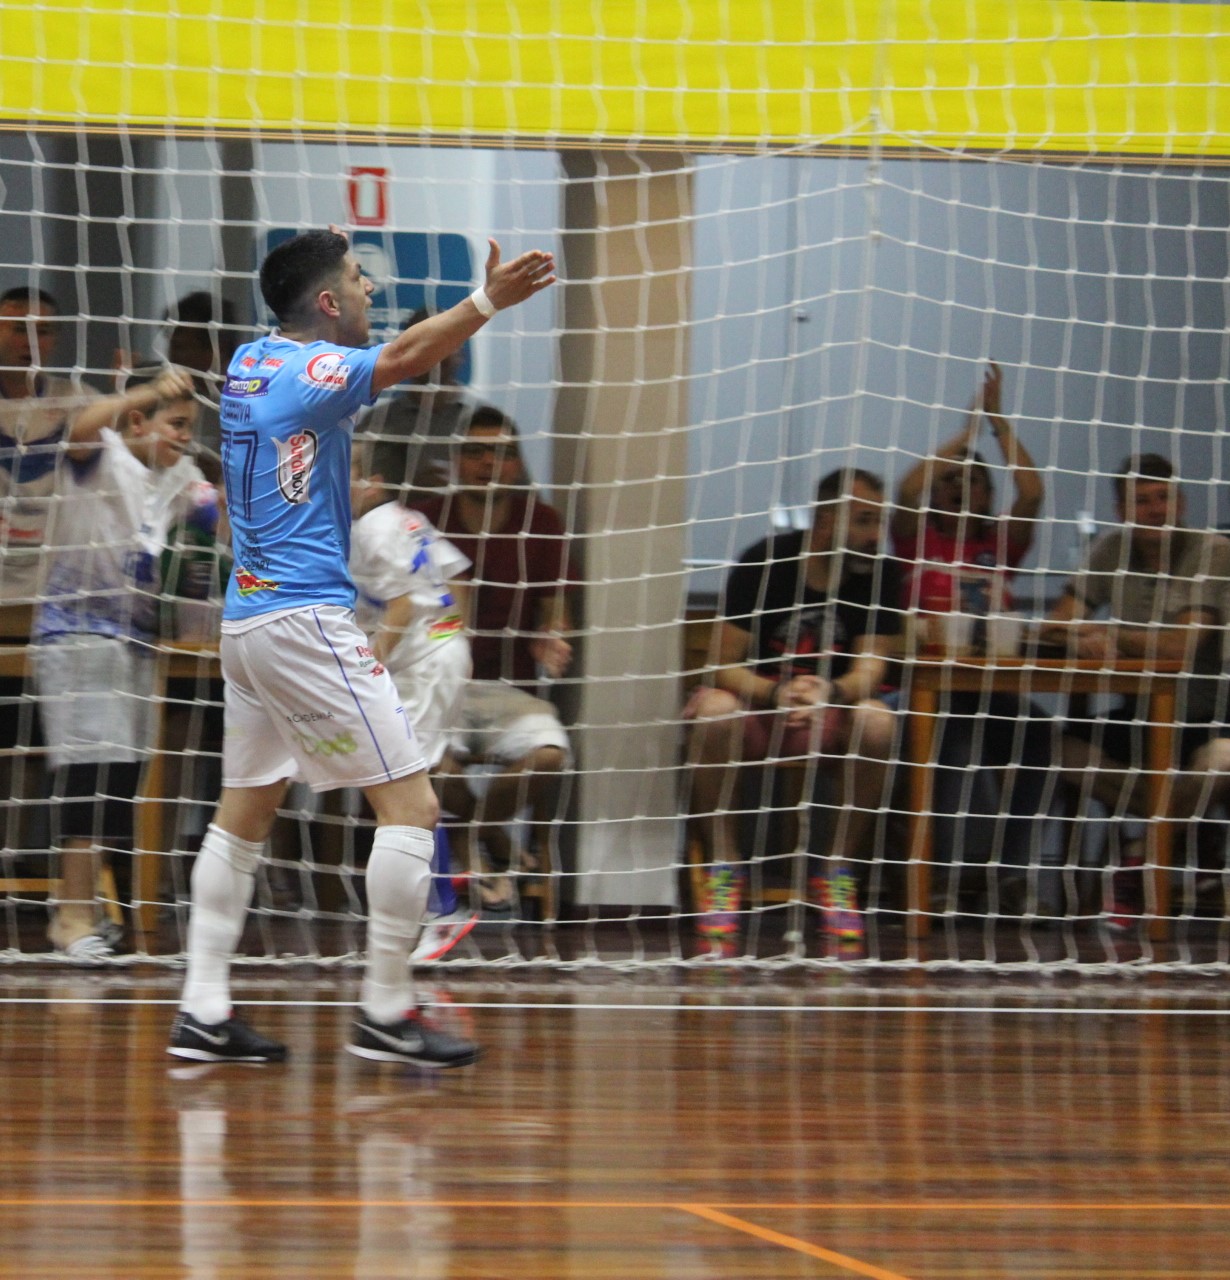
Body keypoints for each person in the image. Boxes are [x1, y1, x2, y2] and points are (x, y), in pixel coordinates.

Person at [166, 226, 554, 1067]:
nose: (371, 293)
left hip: (250, 621)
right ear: (329, 302)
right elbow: (410, 355)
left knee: (244, 813)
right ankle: (386, 1011)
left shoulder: (248, 362)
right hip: (305, 623)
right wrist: (491, 300)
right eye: (358, 279)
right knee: (412, 808)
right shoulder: (311, 373)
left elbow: (366, 357)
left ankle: (201, 1009)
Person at [683, 468, 902, 954]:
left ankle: (837, 871)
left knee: (879, 720)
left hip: (829, 708)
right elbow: (721, 664)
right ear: (826, 521)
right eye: (864, 522)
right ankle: (724, 866)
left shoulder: (881, 571)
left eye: (879, 523)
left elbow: (871, 666)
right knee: (714, 711)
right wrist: (775, 694)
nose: (875, 536)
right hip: (762, 705)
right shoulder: (767, 560)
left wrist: (831, 692)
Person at [32, 367, 211, 959]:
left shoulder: (178, 476)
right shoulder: (103, 453)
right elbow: (77, 426)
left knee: (123, 781)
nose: (185, 437)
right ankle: (71, 918)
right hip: (79, 633)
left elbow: (214, 516)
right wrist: (149, 389)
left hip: (137, 639)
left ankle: (91, 913)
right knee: (89, 776)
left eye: (191, 427)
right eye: (176, 424)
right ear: (138, 421)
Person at [892, 361, 1059, 916]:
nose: (961, 487)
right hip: (924, 688)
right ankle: (936, 878)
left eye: (974, 480)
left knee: (1039, 737)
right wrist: (960, 441)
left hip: (991, 684)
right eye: (952, 481)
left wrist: (997, 424)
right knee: (954, 748)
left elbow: (1032, 494)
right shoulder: (918, 538)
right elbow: (908, 490)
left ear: (988, 494)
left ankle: (1010, 875)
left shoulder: (1001, 545)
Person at [1040, 453, 1230, 928]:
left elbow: (1181, 646)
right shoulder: (1110, 550)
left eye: (1163, 498)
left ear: (1181, 502)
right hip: (1141, 716)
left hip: (1207, 719)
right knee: (1050, 747)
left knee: (1223, 760)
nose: (1155, 509)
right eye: (1141, 501)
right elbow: (1058, 623)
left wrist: (1110, 634)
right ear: (1122, 511)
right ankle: (1182, 834)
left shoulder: (1211, 550)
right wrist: (1077, 633)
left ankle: (1141, 854)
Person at [415, 408, 576, 911]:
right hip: (438, 685)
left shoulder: (542, 522)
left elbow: (555, 610)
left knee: (550, 756)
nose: (489, 463)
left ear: (517, 463)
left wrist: (552, 639)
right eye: (477, 452)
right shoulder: (424, 519)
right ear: (457, 460)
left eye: (503, 453)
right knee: (424, 763)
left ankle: (474, 837)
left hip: (511, 689)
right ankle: (496, 845)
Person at [349, 434, 477, 962]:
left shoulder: (371, 529)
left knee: (409, 788)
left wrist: (371, 665)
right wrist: (449, 634)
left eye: (349, 471)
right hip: (442, 655)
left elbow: (400, 604)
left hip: (423, 666)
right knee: (408, 782)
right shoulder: (408, 518)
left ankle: (441, 910)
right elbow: (457, 575)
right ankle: (435, 903)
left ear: (374, 479)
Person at [0, 286, 101, 611]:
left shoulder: (79, 400)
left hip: (51, 593)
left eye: (42, 331)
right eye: (19, 329)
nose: (31, 341)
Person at [357, 305, 494, 498]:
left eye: (445, 342)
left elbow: (518, 494)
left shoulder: (486, 418)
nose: (435, 353)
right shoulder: (378, 421)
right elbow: (353, 491)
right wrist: (411, 490)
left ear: (461, 351)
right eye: (426, 345)